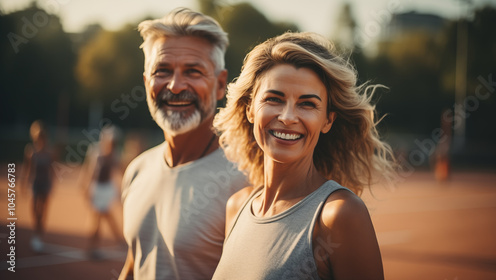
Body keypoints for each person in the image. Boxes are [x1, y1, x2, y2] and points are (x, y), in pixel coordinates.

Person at [212, 32, 396, 279]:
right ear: (250, 110)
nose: (288, 117)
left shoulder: (338, 215)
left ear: (327, 120)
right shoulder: (236, 207)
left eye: (307, 104)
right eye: (274, 99)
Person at [118, 8, 247, 280]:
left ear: (221, 84)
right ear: (146, 82)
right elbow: (135, 263)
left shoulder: (246, 180)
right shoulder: (137, 169)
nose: (175, 86)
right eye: (162, 70)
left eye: (193, 71)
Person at [79, 125, 123, 259]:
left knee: (102, 217)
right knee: (98, 218)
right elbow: (89, 169)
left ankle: (94, 248)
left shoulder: (114, 154)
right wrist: (85, 186)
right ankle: (93, 248)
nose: (113, 144)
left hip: (107, 189)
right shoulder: (96, 151)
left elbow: (120, 170)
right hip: (97, 189)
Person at [21, 120, 54, 252]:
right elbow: (27, 169)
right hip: (35, 183)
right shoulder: (30, 151)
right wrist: (23, 183)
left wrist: (53, 183)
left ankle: (39, 236)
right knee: (35, 211)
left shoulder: (49, 152)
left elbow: (52, 169)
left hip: (45, 184)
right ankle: (36, 233)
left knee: (43, 212)